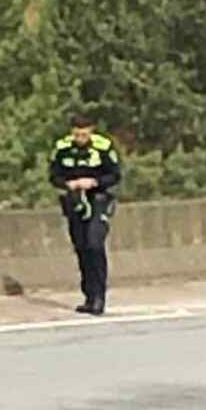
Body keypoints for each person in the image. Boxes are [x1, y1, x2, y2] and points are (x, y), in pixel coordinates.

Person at [49, 114, 123, 315]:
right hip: (75, 202)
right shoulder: (62, 148)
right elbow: (53, 175)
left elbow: (115, 174)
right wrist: (67, 184)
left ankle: (99, 296)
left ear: (91, 130)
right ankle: (88, 295)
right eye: (77, 133)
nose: (80, 137)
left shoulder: (103, 147)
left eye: (84, 133)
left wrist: (94, 182)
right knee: (81, 247)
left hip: (97, 199)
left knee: (94, 244)